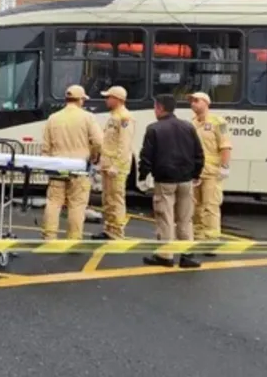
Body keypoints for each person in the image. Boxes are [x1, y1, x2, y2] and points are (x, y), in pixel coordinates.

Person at [137, 94, 204, 268]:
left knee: (165, 217)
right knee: (185, 219)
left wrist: (143, 176)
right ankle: (187, 255)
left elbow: (146, 157)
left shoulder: (154, 129)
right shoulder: (188, 127)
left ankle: (165, 255)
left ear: (159, 108)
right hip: (186, 180)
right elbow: (199, 154)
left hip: (165, 180)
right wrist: (196, 174)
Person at [40, 85, 104, 241]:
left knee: (54, 202)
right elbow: (99, 142)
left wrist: (47, 166)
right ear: (80, 100)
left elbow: (46, 147)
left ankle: (49, 237)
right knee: (77, 205)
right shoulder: (88, 117)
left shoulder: (53, 118)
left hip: (57, 166)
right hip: (79, 168)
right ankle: (74, 239)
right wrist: (94, 156)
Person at [188, 91, 233, 256]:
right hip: (196, 172)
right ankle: (199, 237)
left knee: (210, 206)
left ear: (206, 103)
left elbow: (225, 146)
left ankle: (211, 242)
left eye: (196, 100)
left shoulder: (218, 122)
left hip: (212, 172)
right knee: (196, 207)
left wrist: (224, 166)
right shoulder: (192, 123)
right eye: (191, 101)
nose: (193, 103)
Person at [94, 85, 135, 240]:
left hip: (116, 167)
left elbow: (124, 145)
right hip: (107, 165)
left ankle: (117, 232)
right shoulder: (114, 116)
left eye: (109, 97)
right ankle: (109, 229)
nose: (106, 100)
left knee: (116, 200)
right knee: (108, 199)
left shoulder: (125, 118)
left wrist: (116, 166)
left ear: (117, 99)